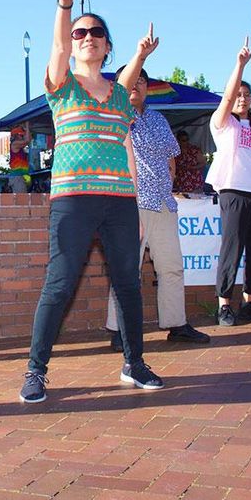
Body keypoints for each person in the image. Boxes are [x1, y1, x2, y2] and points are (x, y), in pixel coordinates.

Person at [20, 0, 163, 404]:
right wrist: (64, 6)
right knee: (60, 283)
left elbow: (126, 118)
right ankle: (35, 370)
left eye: (95, 32)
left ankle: (134, 363)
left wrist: (141, 55)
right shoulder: (61, 85)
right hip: (73, 199)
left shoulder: (120, 96)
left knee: (128, 283)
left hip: (120, 200)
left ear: (106, 45)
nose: (85, 37)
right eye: (79, 33)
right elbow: (58, 48)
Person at [105, 66, 210, 349]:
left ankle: (177, 324)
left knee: (171, 266)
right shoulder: (113, 116)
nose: (136, 84)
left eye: (141, 80)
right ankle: (119, 329)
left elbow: (171, 158)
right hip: (128, 203)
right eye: (131, 79)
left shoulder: (158, 119)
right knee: (127, 270)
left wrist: (168, 184)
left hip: (162, 203)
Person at [206, 36, 251, 327]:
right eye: (238, 94)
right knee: (232, 248)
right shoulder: (224, 123)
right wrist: (240, 65)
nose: (241, 98)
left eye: (246, 94)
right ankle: (224, 305)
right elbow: (226, 100)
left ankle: (250, 303)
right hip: (235, 191)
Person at [8, 123, 31, 193]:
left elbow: (29, 139)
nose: (23, 136)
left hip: (22, 175)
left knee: (23, 196)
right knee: (21, 197)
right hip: (17, 176)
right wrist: (27, 127)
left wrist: (27, 130)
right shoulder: (14, 144)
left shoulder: (19, 146)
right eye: (22, 135)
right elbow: (27, 140)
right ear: (17, 135)